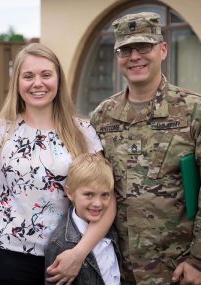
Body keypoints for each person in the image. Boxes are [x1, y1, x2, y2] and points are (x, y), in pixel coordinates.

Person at [0, 42, 116, 285]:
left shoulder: (82, 132)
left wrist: (80, 253)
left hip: (64, 258)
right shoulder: (2, 130)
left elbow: (108, 200)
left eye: (46, 74)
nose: (38, 83)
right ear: (18, 82)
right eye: (28, 76)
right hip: (4, 258)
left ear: (58, 80)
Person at [90, 12, 201, 285]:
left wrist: (198, 260)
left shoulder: (192, 111)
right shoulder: (103, 116)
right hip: (117, 269)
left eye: (144, 47)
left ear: (162, 50)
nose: (135, 56)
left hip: (177, 269)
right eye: (125, 50)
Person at [45, 153, 121, 285]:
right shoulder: (60, 244)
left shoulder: (110, 227)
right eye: (89, 194)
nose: (97, 203)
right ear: (70, 193)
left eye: (105, 195)